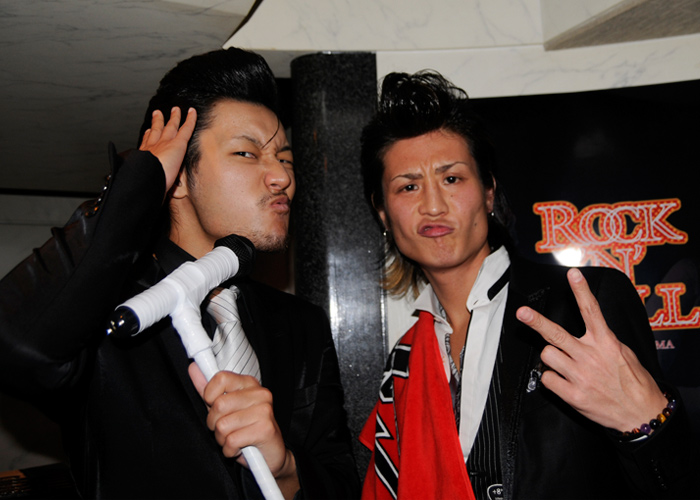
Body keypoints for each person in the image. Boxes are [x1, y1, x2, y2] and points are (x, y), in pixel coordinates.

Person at [0, 48, 359, 499]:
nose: (281, 176)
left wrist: (285, 468)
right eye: (247, 153)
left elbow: (342, 481)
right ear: (179, 179)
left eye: (285, 159)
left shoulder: (301, 324)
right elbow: (15, 345)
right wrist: (139, 181)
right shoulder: (105, 315)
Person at [358, 71, 697, 499]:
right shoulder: (404, 360)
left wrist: (647, 423)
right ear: (384, 214)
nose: (433, 205)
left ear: (488, 192)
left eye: (452, 178)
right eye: (408, 186)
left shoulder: (584, 305)